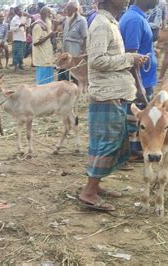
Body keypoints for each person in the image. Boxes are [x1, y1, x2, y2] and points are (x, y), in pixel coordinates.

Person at [79, 0, 148, 211]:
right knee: (106, 142)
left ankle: (96, 186)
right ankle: (89, 192)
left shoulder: (110, 23)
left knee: (113, 139)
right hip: (107, 94)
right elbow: (97, 61)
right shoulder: (101, 24)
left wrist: (132, 60)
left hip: (116, 92)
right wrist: (130, 58)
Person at [120, 0, 159, 161]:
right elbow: (131, 56)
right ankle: (129, 152)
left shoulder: (138, 17)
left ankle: (134, 149)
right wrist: (138, 85)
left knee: (137, 116)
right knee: (134, 114)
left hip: (145, 77)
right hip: (139, 79)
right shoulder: (135, 19)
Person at [59, 2, 88, 81]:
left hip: (76, 51)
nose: (66, 10)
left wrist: (83, 53)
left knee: (76, 73)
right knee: (66, 72)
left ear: (75, 10)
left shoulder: (82, 21)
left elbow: (85, 37)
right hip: (66, 51)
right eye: (66, 8)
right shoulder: (67, 20)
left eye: (68, 9)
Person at [32, 7, 56, 85]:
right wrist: (48, 36)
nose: (50, 15)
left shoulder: (46, 25)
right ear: (44, 14)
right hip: (42, 58)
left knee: (49, 81)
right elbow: (35, 43)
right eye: (49, 13)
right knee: (43, 81)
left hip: (47, 56)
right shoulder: (38, 26)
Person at [10, 6, 30, 71]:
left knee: (22, 52)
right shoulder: (14, 19)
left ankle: (20, 64)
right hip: (17, 38)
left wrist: (28, 17)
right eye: (19, 10)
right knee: (17, 52)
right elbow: (11, 29)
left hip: (23, 37)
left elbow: (28, 24)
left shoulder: (23, 18)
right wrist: (19, 26)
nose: (21, 11)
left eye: (21, 10)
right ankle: (16, 66)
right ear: (16, 12)